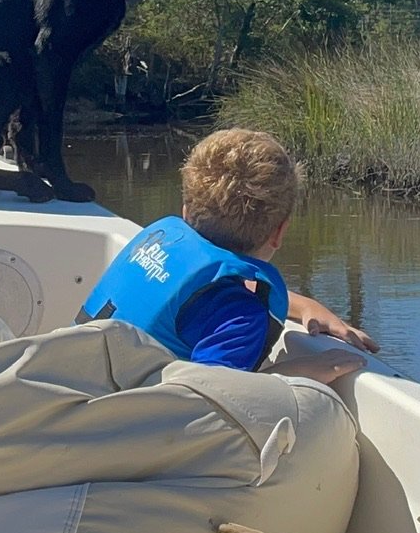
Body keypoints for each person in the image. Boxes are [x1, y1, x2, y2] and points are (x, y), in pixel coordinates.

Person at [77, 129, 376, 383]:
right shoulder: (242, 317)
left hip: (73, 391)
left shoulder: (157, 245)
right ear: (279, 232)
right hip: (122, 438)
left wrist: (304, 306)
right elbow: (206, 403)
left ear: (185, 210)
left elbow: (204, 294)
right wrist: (293, 374)